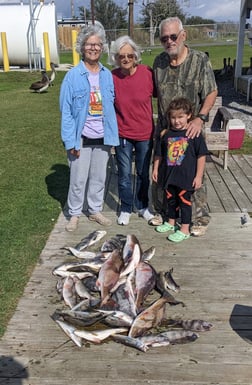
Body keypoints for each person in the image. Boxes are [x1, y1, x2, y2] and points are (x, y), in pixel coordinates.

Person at [152, 16, 218, 236]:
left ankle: (198, 219)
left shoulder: (200, 61)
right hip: (166, 132)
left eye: (173, 36)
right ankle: (165, 214)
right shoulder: (158, 63)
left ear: (183, 35)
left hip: (191, 131)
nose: (169, 41)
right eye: (164, 38)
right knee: (163, 174)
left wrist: (200, 118)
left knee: (193, 176)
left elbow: (211, 92)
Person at [60, 24, 119, 232]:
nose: (93, 48)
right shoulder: (73, 76)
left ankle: (94, 210)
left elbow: (112, 106)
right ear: (82, 47)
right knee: (78, 178)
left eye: (97, 44)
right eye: (89, 44)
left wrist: (113, 136)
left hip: (103, 136)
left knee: (99, 176)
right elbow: (66, 112)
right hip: (81, 137)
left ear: (102, 47)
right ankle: (74, 213)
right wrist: (70, 141)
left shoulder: (107, 75)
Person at [109, 35, 157, 225]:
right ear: (116, 58)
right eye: (122, 56)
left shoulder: (147, 73)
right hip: (123, 134)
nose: (126, 59)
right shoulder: (112, 77)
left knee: (144, 173)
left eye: (130, 55)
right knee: (124, 174)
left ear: (136, 56)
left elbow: (161, 95)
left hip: (145, 133)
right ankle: (126, 207)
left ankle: (143, 206)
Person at [152, 97, 208, 242]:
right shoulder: (166, 135)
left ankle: (184, 229)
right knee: (170, 199)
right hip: (169, 176)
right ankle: (171, 222)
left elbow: (201, 156)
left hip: (186, 177)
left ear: (189, 115)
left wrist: (199, 176)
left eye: (181, 117)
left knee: (184, 202)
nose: (177, 121)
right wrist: (156, 169)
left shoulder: (194, 134)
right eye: (173, 118)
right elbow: (159, 154)